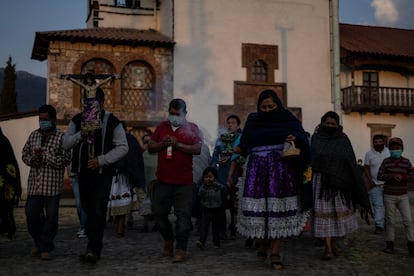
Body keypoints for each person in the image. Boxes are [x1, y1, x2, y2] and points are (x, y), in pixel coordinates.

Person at [236, 89, 312, 270]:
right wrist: (236, 150)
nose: (268, 109)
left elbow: (302, 136)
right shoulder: (253, 121)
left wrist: (296, 138)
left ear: (277, 104)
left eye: (271, 106)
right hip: (256, 171)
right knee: (261, 212)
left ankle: (276, 252)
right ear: (258, 107)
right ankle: (262, 243)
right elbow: (245, 144)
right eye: (264, 107)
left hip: (281, 171)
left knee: (278, 213)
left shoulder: (287, 119)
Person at [63, 88, 128, 264]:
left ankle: (93, 248)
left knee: (98, 210)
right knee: (87, 208)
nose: (91, 107)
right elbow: (66, 143)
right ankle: (92, 244)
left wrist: (101, 160)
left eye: (95, 103)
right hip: (82, 174)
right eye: (88, 103)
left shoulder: (112, 121)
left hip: (102, 174)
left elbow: (123, 147)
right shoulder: (77, 120)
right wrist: (81, 134)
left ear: (102, 102)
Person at [311, 111, 371, 261]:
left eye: (333, 124)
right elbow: (314, 157)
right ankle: (328, 248)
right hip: (322, 185)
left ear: (338, 125)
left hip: (341, 184)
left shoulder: (343, 139)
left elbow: (348, 159)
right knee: (324, 216)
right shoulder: (316, 138)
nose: (330, 126)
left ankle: (335, 244)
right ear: (322, 123)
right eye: (327, 123)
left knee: (338, 216)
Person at [148, 98, 202, 263]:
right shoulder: (162, 127)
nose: (174, 116)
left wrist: (179, 145)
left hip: (184, 182)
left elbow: (197, 149)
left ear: (185, 113)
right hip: (163, 180)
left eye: (177, 114)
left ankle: (181, 248)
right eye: (171, 113)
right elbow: (150, 147)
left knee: (183, 216)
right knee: (158, 214)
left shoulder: (192, 128)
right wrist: (162, 144)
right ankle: (168, 239)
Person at [22, 104, 71, 260]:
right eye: (40, 119)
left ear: (53, 120)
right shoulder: (33, 135)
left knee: (51, 218)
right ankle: (39, 242)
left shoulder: (61, 138)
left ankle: (44, 247)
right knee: (31, 215)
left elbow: (66, 159)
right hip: (34, 185)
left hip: (52, 187)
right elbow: (25, 154)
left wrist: (47, 157)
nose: (42, 122)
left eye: (45, 119)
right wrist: (32, 159)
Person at [377, 137, 414, 256]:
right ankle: (390, 245)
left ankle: (411, 245)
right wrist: (391, 177)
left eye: (397, 148)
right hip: (389, 195)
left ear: (401, 149)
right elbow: (379, 175)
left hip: (403, 195)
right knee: (390, 221)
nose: (395, 150)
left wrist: (403, 177)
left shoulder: (407, 162)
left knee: (408, 221)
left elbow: (412, 176)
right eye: (392, 148)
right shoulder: (386, 162)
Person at [107, 121, 145, 237]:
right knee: (115, 201)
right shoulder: (110, 141)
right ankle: (118, 224)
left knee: (123, 201)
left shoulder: (130, 140)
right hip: (113, 176)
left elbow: (136, 157)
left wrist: (129, 170)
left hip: (126, 177)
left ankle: (120, 227)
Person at [210, 115, 242, 240]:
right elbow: (214, 156)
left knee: (235, 206)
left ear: (238, 125)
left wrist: (232, 157)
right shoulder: (221, 139)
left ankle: (234, 229)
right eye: (228, 123)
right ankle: (222, 231)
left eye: (233, 123)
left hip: (237, 175)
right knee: (221, 206)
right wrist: (217, 163)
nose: (230, 125)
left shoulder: (241, 139)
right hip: (222, 176)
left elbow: (243, 156)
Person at [364, 134, 390, 234]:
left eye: (380, 142)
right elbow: (366, 167)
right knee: (377, 206)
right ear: (373, 143)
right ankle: (379, 226)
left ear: (384, 142)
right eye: (376, 142)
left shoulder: (389, 152)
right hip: (375, 185)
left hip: (389, 185)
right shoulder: (369, 154)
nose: (378, 144)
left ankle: (389, 225)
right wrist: (370, 181)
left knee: (389, 206)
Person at [196, 167, 227, 250]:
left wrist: (215, 184)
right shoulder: (203, 187)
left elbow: (224, 189)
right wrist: (205, 187)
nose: (208, 179)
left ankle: (216, 242)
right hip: (206, 209)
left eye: (210, 177)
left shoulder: (218, 185)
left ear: (215, 178)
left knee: (215, 227)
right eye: (206, 177)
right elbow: (199, 194)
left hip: (216, 209)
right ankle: (201, 241)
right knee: (204, 227)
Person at [0, 127, 22, 240]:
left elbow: (12, 162)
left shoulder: (3, 141)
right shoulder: (4, 139)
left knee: (5, 206)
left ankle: (7, 224)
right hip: (8, 178)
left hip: (5, 179)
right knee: (6, 206)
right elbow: (14, 162)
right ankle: (8, 224)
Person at [139, 133, 158, 232]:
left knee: (157, 204)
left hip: (158, 183)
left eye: (150, 141)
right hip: (146, 184)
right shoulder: (142, 155)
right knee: (145, 203)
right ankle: (145, 224)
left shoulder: (159, 154)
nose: (148, 144)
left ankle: (156, 224)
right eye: (145, 142)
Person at [67, 163, 87, 238]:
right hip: (75, 176)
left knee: (84, 202)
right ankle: (83, 224)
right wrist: (70, 174)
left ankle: (83, 227)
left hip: (86, 175)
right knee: (78, 204)